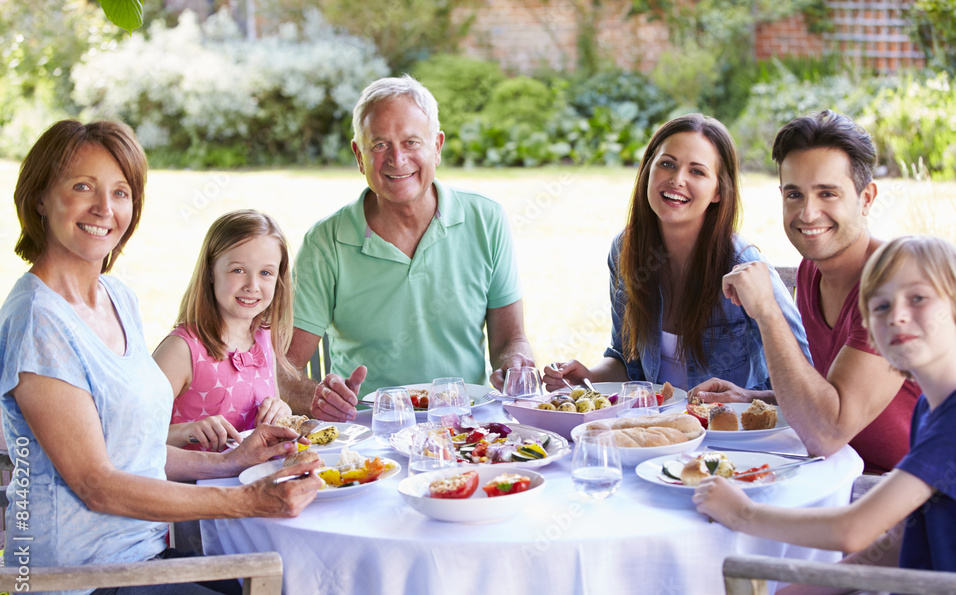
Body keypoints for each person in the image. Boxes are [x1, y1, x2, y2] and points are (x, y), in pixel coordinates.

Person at [2, 119, 321, 595]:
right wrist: (246, 499)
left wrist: (230, 462)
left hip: (145, 561)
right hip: (79, 594)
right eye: (82, 186)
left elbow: (132, 450)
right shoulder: (38, 322)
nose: (105, 207)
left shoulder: (115, 296)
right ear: (39, 198)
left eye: (120, 192)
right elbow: (98, 484)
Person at [693, 235, 956, 595]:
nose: (898, 316)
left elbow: (853, 531)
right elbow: (896, 542)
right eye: (881, 307)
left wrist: (743, 514)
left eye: (918, 298)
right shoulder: (935, 406)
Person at [278, 75, 534, 421]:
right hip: (370, 435)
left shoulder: (486, 219)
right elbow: (280, 368)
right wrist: (318, 397)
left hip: (468, 426)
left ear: (437, 147)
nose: (397, 159)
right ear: (358, 155)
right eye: (379, 144)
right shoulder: (326, 242)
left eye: (412, 142)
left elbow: (510, 341)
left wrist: (515, 362)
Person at [690, 110, 920, 473]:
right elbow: (833, 395)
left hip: (932, 497)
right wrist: (757, 399)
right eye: (794, 194)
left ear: (866, 199)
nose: (808, 214)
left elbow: (826, 433)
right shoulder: (812, 270)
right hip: (855, 473)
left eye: (827, 193)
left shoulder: (896, 284)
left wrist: (767, 309)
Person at [543, 113, 810, 392]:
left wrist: (746, 398)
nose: (677, 179)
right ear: (648, 170)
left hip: (732, 432)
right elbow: (628, 361)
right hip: (659, 431)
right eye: (667, 164)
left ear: (718, 190)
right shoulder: (627, 250)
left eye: (697, 171)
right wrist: (588, 377)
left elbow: (804, 373)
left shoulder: (742, 264)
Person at [153, 209, 294, 451]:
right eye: (238, 270)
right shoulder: (181, 351)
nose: (252, 285)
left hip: (253, 482)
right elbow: (129, 436)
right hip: (194, 485)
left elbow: (273, 407)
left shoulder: (264, 340)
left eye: (266, 273)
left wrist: (282, 411)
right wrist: (185, 432)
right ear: (210, 271)